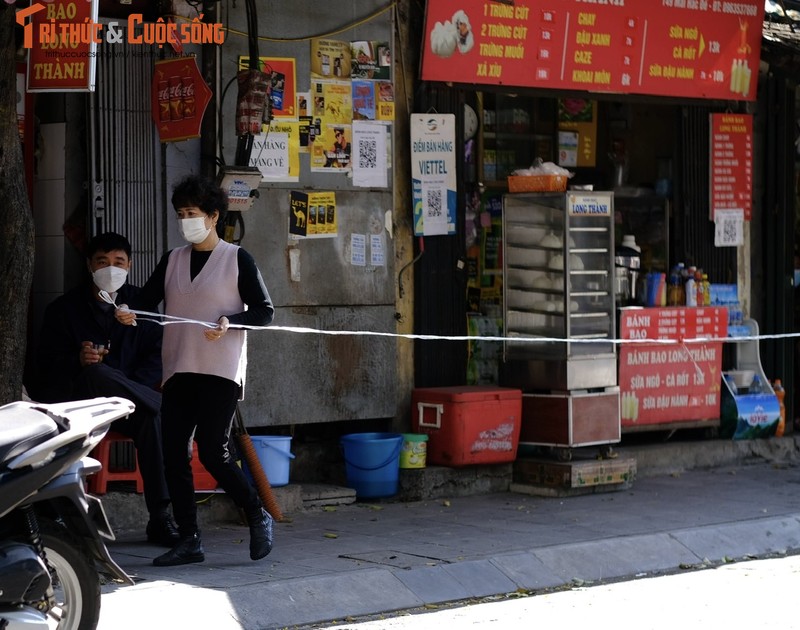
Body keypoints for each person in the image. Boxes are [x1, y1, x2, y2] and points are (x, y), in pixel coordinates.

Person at [115, 175, 275, 567]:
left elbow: (265, 312)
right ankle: (190, 539)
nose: (186, 220)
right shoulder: (172, 259)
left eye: (193, 214)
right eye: (181, 214)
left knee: (214, 451)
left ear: (214, 216)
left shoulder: (237, 259)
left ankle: (256, 513)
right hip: (179, 368)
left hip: (220, 370)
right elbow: (147, 298)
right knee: (174, 453)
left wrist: (230, 321)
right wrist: (122, 302)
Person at [32, 232, 178, 547]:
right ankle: (159, 404)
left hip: (130, 403)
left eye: (118, 262)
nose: (110, 269)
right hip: (79, 406)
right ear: (89, 265)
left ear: (130, 265)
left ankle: (161, 517)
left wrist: (127, 388)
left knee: (150, 421)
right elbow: (42, 368)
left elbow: (157, 359)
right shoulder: (64, 309)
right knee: (99, 372)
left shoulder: (143, 306)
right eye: (102, 262)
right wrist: (78, 360)